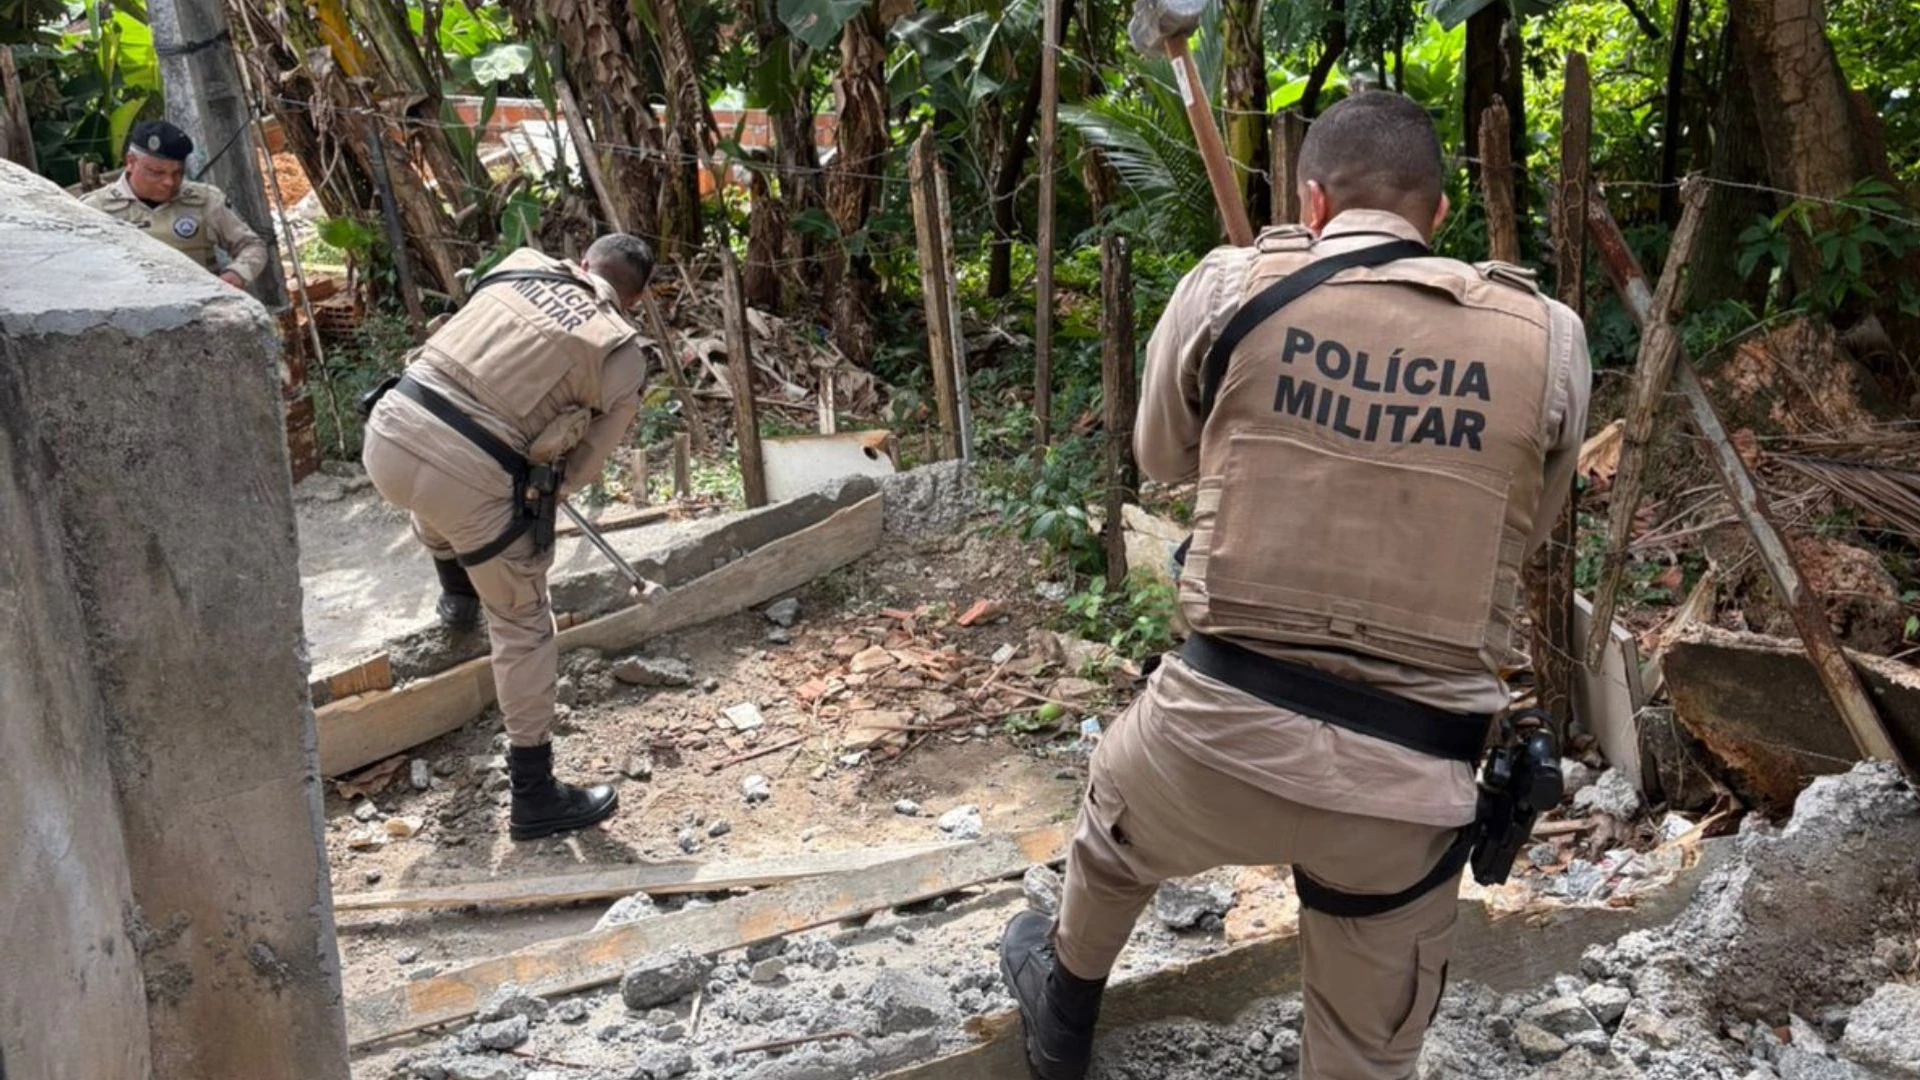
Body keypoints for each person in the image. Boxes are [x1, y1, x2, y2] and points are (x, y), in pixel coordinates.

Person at [997, 90, 1591, 1079]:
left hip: (1206, 748)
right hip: (1405, 792)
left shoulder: (1235, 285)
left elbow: (1161, 459)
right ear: (1438, 215)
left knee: (1110, 826)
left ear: (1312, 201)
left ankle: (1063, 1008)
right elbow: (1525, 524)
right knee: (1368, 1050)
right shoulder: (1552, 341)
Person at [360, 235, 658, 841]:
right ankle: (535, 794)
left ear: (582, 262)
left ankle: (458, 596)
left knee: (444, 506)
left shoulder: (520, 264)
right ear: (639, 299)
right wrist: (531, 513)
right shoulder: (623, 355)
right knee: (523, 621)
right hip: (465, 480)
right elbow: (581, 468)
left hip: (387, 434)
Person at [79, 120, 269, 290]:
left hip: (201, 312)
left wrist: (236, 274)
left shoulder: (205, 200)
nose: (169, 182)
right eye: (157, 172)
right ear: (130, 162)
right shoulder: (95, 210)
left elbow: (252, 246)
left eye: (177, 173)